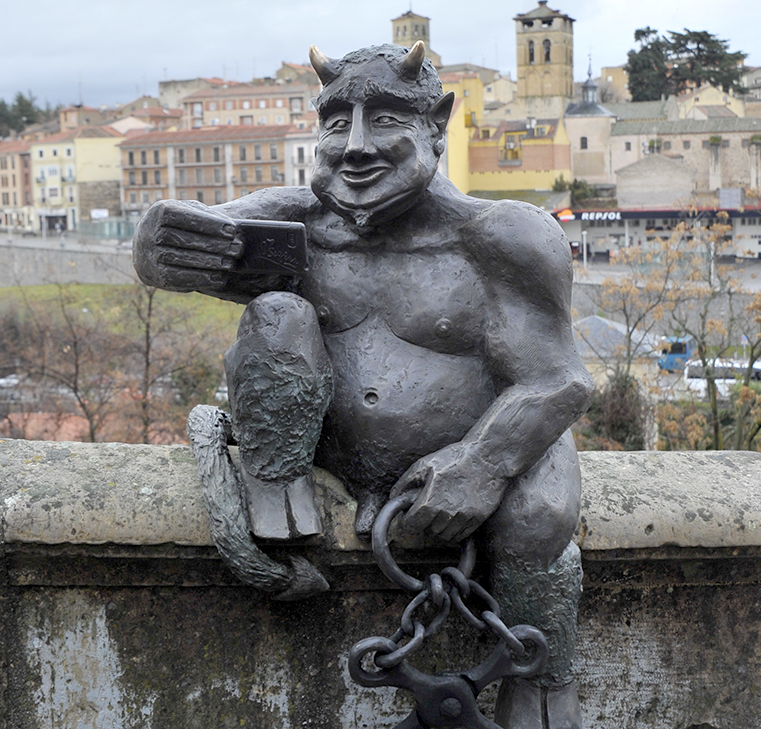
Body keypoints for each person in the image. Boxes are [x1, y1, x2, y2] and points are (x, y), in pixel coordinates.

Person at [134, 41, 593, 729]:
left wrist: (482, 464)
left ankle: (544, 679)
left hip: (472, 451)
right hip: (330, 459)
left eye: (384, 119)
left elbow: (559, 380)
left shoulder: (501, 237)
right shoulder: (294, 223)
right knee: (276, 314)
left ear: (435, 124)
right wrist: (157, 244)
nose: (353, 146)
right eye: (335, 121)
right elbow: (183, 238)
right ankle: (277, 487)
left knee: (541, 516)